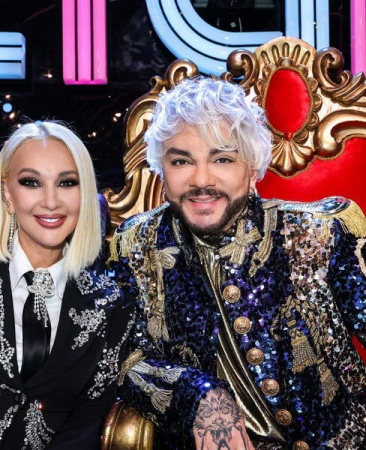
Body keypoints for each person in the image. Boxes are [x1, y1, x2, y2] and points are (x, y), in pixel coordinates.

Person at [109, 77, 366, 449]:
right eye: (181, 161)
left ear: (252, 167)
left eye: (222, 159)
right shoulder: (135, 245)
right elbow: (120, 358)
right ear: (161, 169)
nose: (201, 180)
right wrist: (200, 395)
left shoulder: (320, 234)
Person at [0, 120, 134, 449]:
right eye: (31, 182)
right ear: (7, 192)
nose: (51, 201)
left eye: (67, 182)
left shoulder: (111, 304)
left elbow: (87, 422)